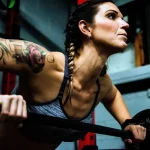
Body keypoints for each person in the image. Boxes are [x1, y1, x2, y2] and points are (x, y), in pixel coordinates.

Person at [0, 0, 146, 150]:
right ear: (85, 28)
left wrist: (128, 123)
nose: (125, 24)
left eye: (122, 18)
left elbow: (113, 95)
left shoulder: (102, 85)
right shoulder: (43, 62)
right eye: (111, 16)